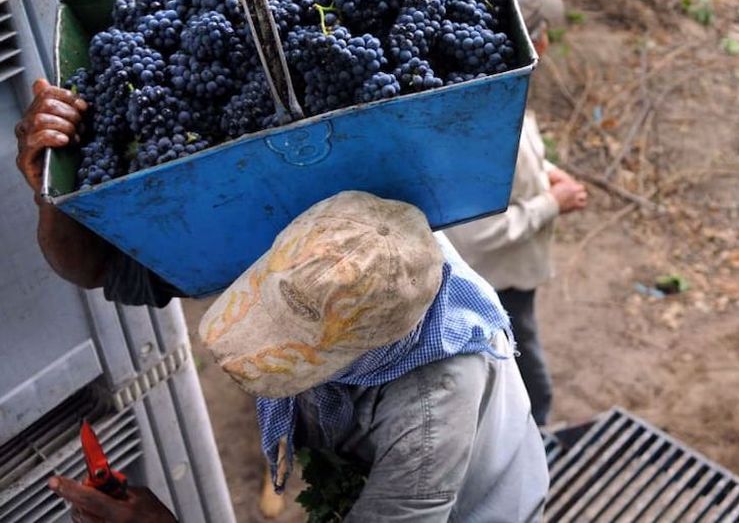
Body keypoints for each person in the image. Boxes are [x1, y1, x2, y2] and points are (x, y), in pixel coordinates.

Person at [17, 86, 548, 521]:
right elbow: (100, 269)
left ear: (369, 351)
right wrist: (50, 185)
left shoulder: (429, 418)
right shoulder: (325, 234)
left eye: (294, 346)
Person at [446, 0, 587, 427]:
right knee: (521, 374)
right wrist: (550, 203)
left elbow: (520, 159)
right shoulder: (475, 131)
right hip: (495, 280)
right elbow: (476, 233)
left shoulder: (502, 98)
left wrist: (546, 171)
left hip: (512, 273)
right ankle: (535, 439)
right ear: (537, 44)